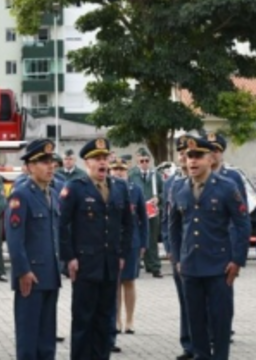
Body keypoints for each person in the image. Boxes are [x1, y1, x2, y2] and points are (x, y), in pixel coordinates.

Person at [168, 135, 249, 360]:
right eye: (189, 156)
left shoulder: (226, 187)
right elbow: (174, 227)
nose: (192, 161)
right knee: (196, 321)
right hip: (190, 266)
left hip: (218, 265)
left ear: (210, 159)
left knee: (220, 320)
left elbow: (242, 225)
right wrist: (177, 259)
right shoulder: (179, 188)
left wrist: (237, 261)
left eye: (198, 156)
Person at [59, 136, 132, 360]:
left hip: (110, 266)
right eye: (96, 159)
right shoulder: (75, 188)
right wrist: (69, 257)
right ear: (87, 163)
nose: (102, 163)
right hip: (85, 265)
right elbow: (62, 225)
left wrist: (123, 254)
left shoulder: (119, 188)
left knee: (104, 320)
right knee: (83, 321)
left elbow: (128, 225)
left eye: (105, 158)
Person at [6, 139, 62, 360]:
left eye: (51, 161)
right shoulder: (21, 195)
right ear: (29, 167)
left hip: (50, 274)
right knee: (29, 337)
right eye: (42, 162)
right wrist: (22, 271)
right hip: (30, 276)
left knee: (47, 338)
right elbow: (14, 238)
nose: (50, 166)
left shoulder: (54, 194)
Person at [162, 136, 193, 360]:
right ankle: (188, 343)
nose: (183, 156)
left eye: (188, 152)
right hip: (178, 249)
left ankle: (205, 339)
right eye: (180, 152)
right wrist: (170, 248)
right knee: (184, 299)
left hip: (199, 250)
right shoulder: (171, 182)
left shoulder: (205, 179)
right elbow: (167, 218)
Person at [111, 158, 148, 335]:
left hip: (132, 242)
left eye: (122, 170)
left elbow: (143, 218)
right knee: (115, 283)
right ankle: (116, 320)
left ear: (127, 172)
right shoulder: (107, 189)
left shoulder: (136, 190)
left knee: (129, 281)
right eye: (115, 169)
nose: (118, 172)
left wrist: (144, 242)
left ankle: (130, 320)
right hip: (112, 242)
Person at [129, 147, 163, 279]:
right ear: (138, 161)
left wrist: (158, 198)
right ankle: (136, 265)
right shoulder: (132, 174)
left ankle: (154, 266)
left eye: (146, 160)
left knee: (152, 239)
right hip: (137, 211)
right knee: (137, 238)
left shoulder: (156, 175)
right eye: (142, 160)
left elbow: (163, 191)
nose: (144, 163)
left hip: (152, 210)